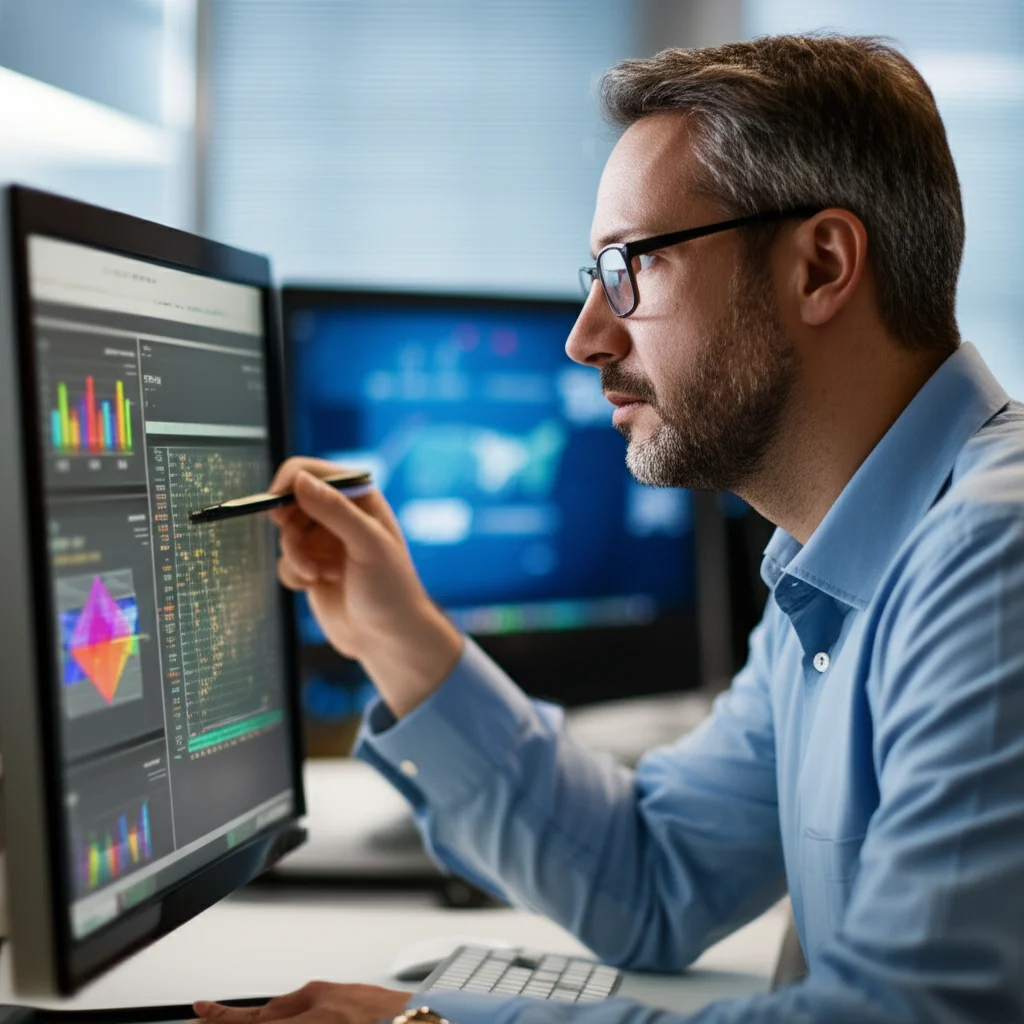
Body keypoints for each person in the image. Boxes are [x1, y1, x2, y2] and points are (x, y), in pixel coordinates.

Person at [194, 34, 1024, 1024]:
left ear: (820, 265)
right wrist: (393, 632)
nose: (586, 334)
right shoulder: (837, 563)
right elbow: (655, 877)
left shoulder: (990, 559)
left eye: (630, 265)